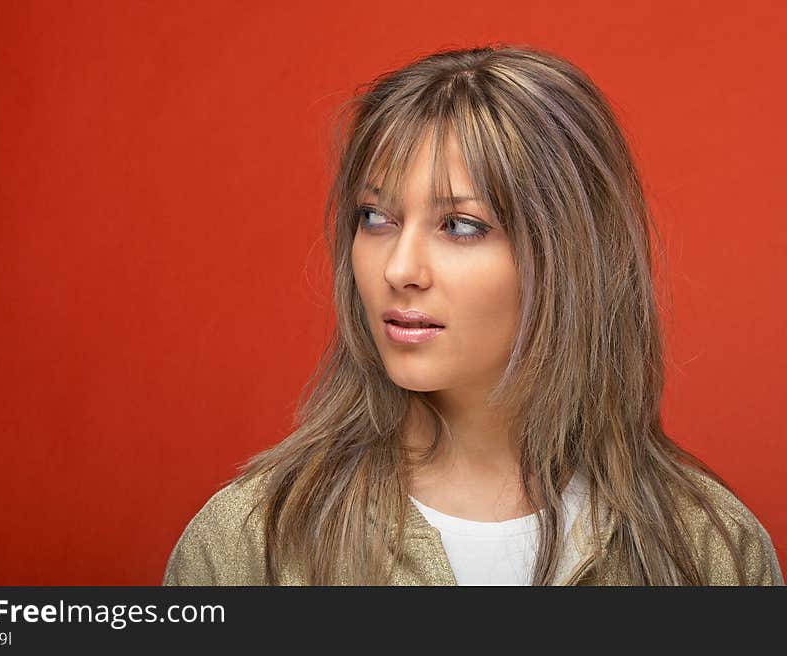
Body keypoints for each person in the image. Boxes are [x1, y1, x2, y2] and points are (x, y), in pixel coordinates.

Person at [162, 44, 783, 586]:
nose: (398, 268)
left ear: (571, 256)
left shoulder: (710, 553)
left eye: (460, 225)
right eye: (374, 217)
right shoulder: (250, 546)